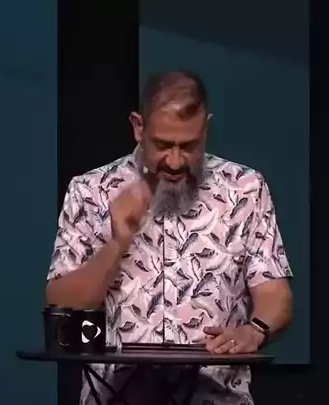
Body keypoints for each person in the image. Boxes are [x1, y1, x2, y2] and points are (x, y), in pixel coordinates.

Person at [46, 70, 293, 405]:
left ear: (206, 128)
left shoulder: (245, 189)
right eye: (162, 145)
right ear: (138, 127)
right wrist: (117, 243)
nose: (175, 162)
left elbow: (276, 294)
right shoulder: (90, 191)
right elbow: (60, 305)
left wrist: (255, 330)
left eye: (188, 146)